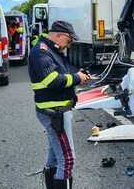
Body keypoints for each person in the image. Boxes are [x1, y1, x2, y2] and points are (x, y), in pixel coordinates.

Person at [28, 21, 91, 189]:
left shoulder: (51, 50)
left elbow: (64, 72)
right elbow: (52, 80)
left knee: (55, 158)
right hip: (54, 113)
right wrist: (77, 78)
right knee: (67, 160)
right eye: (69, 40)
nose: (69, 45)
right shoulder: (41, 52)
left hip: (57, 111)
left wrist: (79, 74)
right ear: (59, 35)